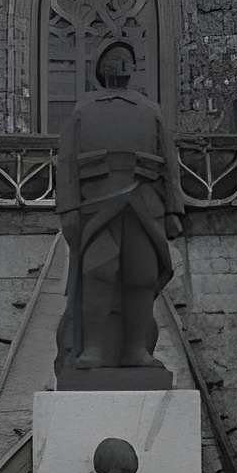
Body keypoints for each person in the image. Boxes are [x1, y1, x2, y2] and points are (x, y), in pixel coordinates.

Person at [54, 38, 183, 380]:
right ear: (102, 70)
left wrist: (173, 210)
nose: (120, 65)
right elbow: (65, 163)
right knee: (99, 271)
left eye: (125, 59)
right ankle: (93, 347)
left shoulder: (151, 110)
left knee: (141, 275)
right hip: (96, 204)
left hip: (145, 202)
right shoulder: (83, 110)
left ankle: (136, 349)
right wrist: (67, 208)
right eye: (113, 59)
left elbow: (170, 162)